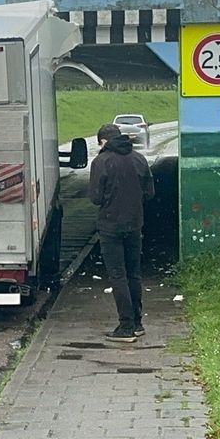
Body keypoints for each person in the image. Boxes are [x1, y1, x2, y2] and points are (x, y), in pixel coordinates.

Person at [88, 123, 155, 343]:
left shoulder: (102, 161)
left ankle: (125, 326)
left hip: (110, 226)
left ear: (103, 141)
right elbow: (149, 193)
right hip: (135, 224)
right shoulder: (138, 159)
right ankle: (137, 323)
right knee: (134, 273)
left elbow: (95, 198)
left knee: (118, 275)